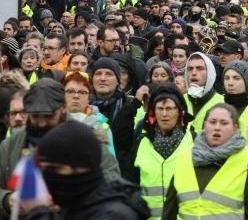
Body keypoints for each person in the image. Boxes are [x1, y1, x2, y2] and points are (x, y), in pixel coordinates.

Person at [0, 78, 121, 217]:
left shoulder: (87, 140)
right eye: (35, 116)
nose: (41, 123)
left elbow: (113, 181)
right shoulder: (10, 145)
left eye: (48, 116)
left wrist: (69, 198)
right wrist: (7, 200)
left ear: (63, 109)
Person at [21, 121, 150, 219]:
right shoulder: (74, 205)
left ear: (81, 169)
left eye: (54, 168)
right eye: (43, 168)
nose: (46, 176)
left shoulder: (113, 214)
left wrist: (38, 212)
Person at [162, 103, 248, 220]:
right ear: (204, 125)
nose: (217, 127)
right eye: (212, 122)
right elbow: (170, 210)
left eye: (224, 123)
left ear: (235, 128)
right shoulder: (185, 158)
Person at [131, 84, 193, 220]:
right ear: (153, 113)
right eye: (160, 108)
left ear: (180, 112)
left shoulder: (193, 141)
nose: (164, 114)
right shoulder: (143, 142)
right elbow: (132, 183)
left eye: (170, 108)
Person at [183, 52, 223, 135]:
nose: (193, 73)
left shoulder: (222, 103)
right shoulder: (179, 101)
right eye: (190, 69)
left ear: (210, 72)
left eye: (199, 68)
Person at [222, 61, 248, 143]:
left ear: (246, 82)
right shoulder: (216, 106)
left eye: (236, 78)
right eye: (227, 78)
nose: (230, 83)